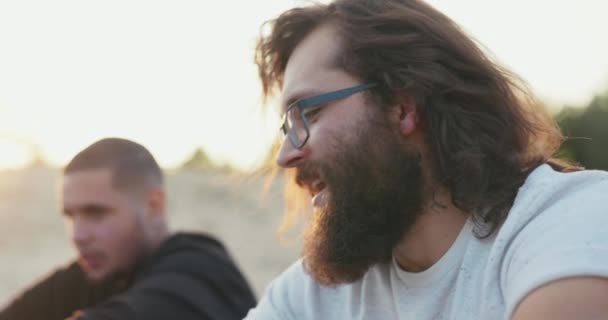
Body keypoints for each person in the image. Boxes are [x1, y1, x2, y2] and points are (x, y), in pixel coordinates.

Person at [245, 0, 608, 319]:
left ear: (402, 108)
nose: (285, 156)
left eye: (310, 112)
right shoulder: (314, 296)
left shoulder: (567, 223)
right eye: (286, 128)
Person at [0, 138, 256, 320]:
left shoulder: (201, 273)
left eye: (95, 213)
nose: (78, 235)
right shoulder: (98, 270)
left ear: (153, 206)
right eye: (70, 216)